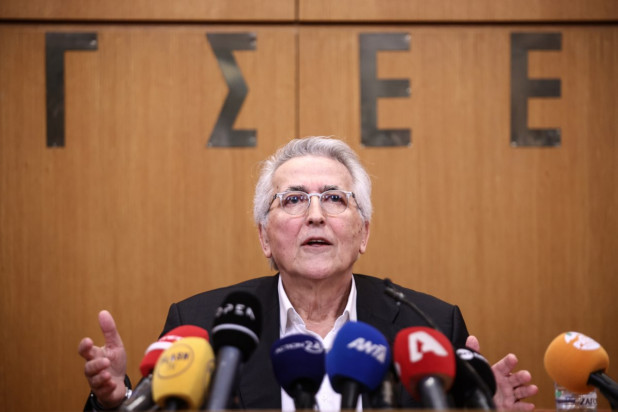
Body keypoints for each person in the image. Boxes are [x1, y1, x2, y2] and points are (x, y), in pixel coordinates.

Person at [79, 136, 538, 410]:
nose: (315, 216)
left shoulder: (430, 326)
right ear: (264, 237)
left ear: (363, 233)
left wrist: (483, 407)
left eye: (335, 198)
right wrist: (116, 402)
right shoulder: (202, 324)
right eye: (294, 199)